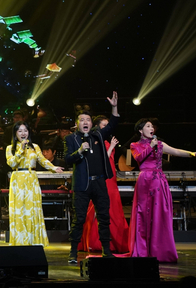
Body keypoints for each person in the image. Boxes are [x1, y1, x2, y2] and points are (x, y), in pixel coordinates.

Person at [129, 119, 196, 263]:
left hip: (159, 181)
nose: (151, 128)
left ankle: (159, 250)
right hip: (145, 181)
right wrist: (150, 146)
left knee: (160, 213)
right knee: (143, 213)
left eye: (152, 126)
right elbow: (139, 158)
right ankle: (143, 249)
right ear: (140, 130)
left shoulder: (160, 144)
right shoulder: (135, 145)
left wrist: (192, 154)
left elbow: (176, 151)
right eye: (148, 126)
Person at [64, 92, 119, 264]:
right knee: (79, 219)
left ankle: (106, 251)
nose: (85, 122)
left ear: (91, 123)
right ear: (76, 124)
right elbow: (67, 159)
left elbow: (113, 124)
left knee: (104, 217)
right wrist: (79, 151)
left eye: (88, 120)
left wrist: (114, 107)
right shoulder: (70, 139)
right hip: (82, 185)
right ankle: (73, 252)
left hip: (99, 182)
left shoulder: (98, 135)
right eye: (82, 120)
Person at [6, 122, 64, 246]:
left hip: (31, 178)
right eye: (20, 131)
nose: (23, 133)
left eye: (25, 130)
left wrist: (54, 168)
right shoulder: (10, 148)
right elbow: (12, 163)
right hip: (18, 179)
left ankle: (33, 240)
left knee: (32, 209)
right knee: (20, 210)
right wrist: (20, 150)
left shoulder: (35, 147)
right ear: (15, 133)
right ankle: (20, 241)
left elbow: (42, 160)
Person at [79, 116, 128, 254]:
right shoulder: (96, 141)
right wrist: (111, 146)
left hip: (111, 178)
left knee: (114, 208)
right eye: (104, 125)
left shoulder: (106, 141)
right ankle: (96, 242)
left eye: (108, 125)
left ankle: (115, 242)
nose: (107, 128)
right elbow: (101, 160)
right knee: (102, 207)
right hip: (103, 178)